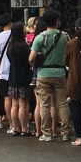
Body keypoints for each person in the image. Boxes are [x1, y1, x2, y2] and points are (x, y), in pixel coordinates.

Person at [29, 10, 71, 142]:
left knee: (44, 104)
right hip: (60, 73)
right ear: (57, 22)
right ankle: (65, 133)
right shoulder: (64, 36)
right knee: (62, 104)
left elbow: (31, 58)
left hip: (43, 74)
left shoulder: (40, 38)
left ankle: (46, 133)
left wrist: (34, 65)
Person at [6, 21, 33, 136]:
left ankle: (15, 127)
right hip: (23, 77)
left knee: (14, 104)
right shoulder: (24, 46)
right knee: (23, 104)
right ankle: (24, 128)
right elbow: (28, 61)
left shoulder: (10, 46)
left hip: (13, 77)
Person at [0, 13, 14, 130]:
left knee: (7, 98)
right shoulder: (17, 35)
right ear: (10, 23)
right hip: (16, 71)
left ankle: (11, 124)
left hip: (3, 72)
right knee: (19, 100)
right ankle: (19, 124)